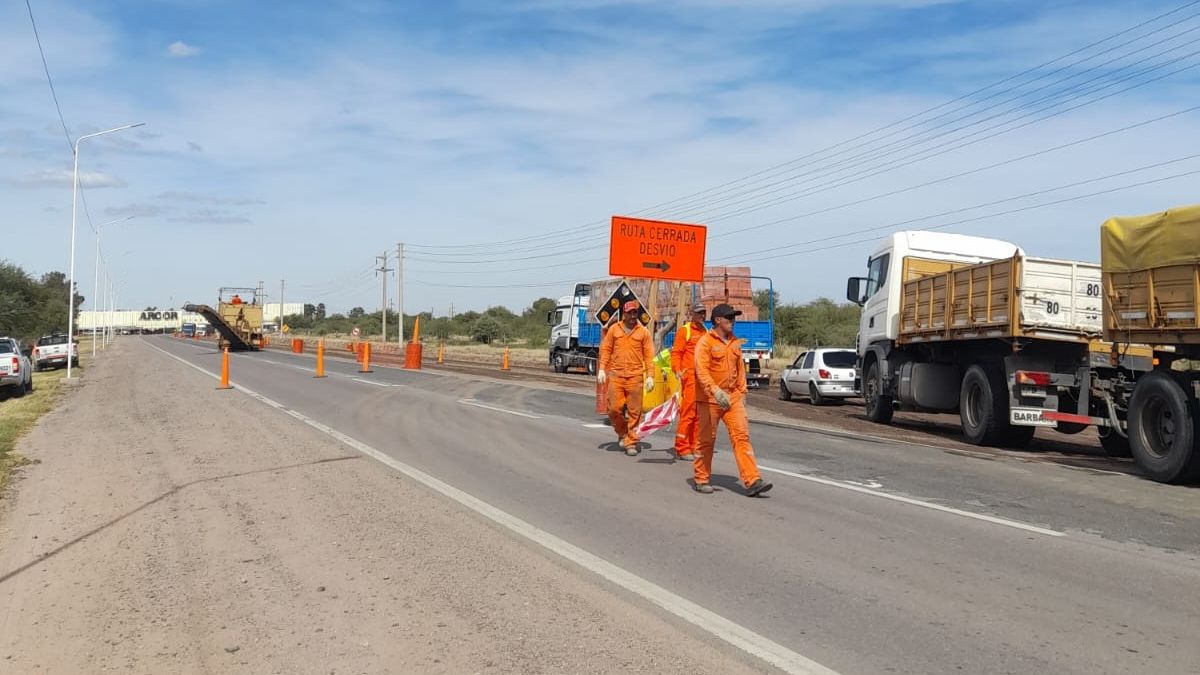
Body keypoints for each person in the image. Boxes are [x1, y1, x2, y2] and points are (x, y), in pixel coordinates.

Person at [692, 303, 773, 497]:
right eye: (729, 318)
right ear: (717, 320)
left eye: (734, 318)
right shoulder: (705, 343)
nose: (733, 321)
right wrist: (715, 391)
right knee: (706, 440)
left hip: (733, 397)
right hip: (710, 399)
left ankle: (752, 480)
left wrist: (742, 393)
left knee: (741, 436)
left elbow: (740, 372)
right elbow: (701, 370)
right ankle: (701, 478)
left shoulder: (735, 342)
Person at [597, 300, 655, 456]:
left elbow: (649, 355)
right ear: (624, 314)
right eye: (629, 313)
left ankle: (631, 442)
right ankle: (623, 432)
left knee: (635, 412)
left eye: (635, 312)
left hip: (635, 377)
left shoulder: (643, 332)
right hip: (616, 376)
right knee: (613, 409)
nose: (632, 315)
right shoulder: (614, 330)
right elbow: (606, 349)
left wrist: (650, 376)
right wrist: (602, 368)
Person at [670, 302, 708, 461]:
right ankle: (682, 447)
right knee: (688, 413)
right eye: (699, 312)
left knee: (699, 414)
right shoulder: (685, 331)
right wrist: (677, 371)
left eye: (703, 313)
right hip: (690, 378)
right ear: (691, 314)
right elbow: (676, 353)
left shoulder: (705, 331)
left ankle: (693, 446)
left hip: (702, 378)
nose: (702, 315)